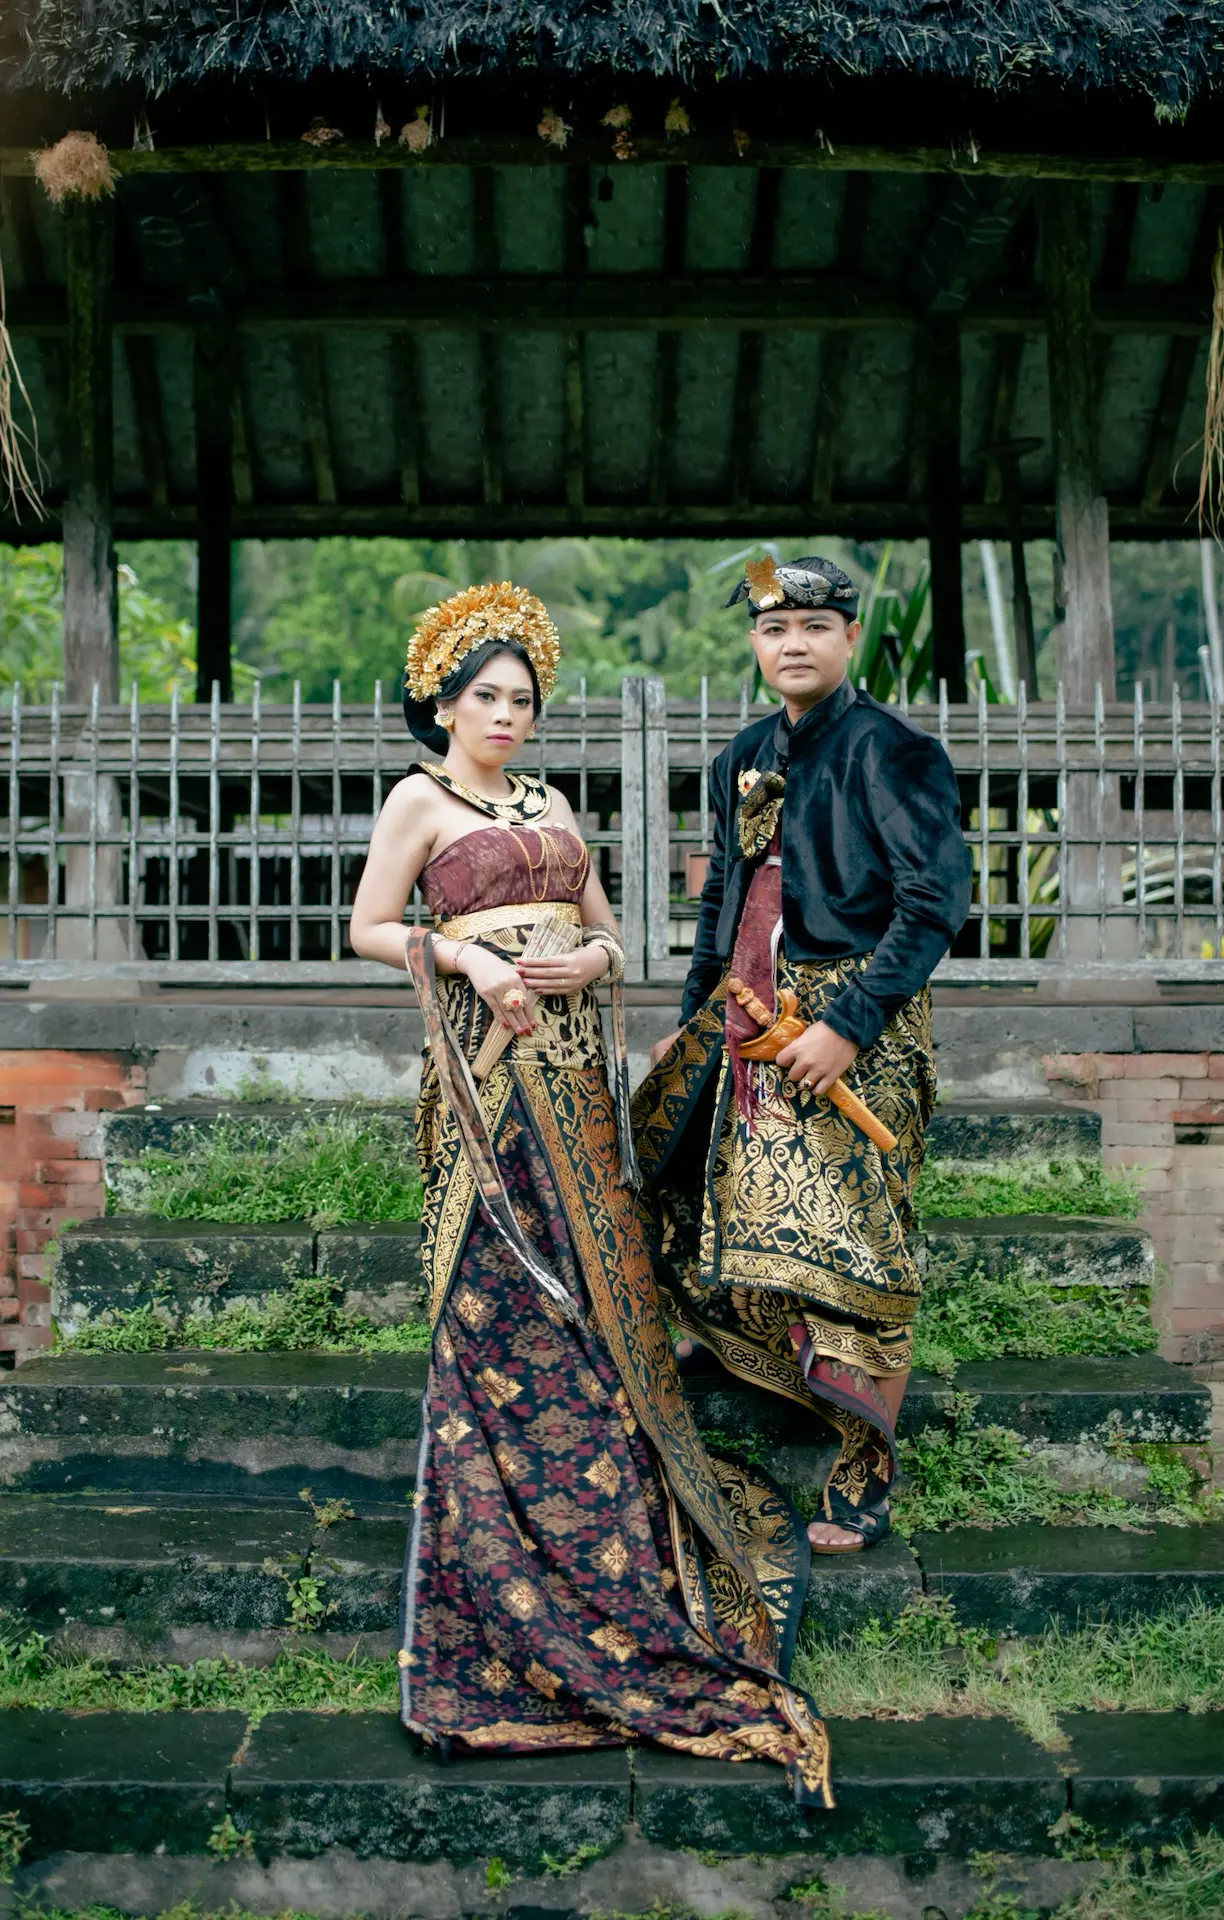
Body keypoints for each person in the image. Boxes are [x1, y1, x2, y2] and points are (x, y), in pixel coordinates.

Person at [348, 581, 831, 1805]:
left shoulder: (554, 804)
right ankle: (505, 1577)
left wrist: (592, 960)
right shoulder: (419, 800)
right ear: (443, 705)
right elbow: (368, 925)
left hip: (574, 1083)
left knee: (601, 1310)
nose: (506, 716)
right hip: (486, 1086)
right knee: (505, 1307)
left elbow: (612, 933)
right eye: (486, 697)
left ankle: (616, 1535)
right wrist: (466, 956)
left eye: (521, 699)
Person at [633, 555, 972, 1555]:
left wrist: (848, 1025)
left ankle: (865, 1472)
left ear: (848, 638)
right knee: (688, 1181)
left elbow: (934, 904)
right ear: (755, 642)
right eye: (775, 629)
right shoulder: (741, 754)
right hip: (747, 1016)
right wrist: (693, 1017)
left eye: (815, 628)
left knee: (862, 1242)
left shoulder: (894, 752)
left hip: (855, 1029)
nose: (794, 645)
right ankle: (745, 1351)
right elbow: (722, 898)